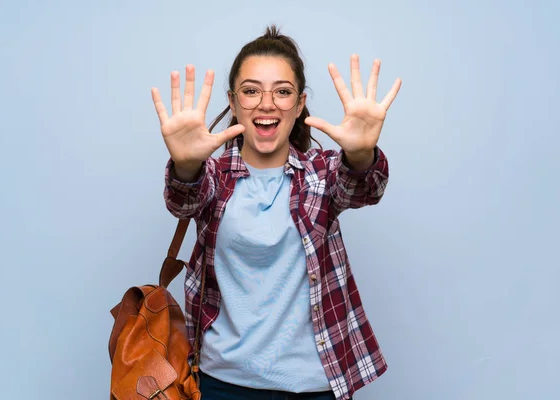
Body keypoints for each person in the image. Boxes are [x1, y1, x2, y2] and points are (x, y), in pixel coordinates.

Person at [151, 25, 401, 400]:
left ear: (299, 105)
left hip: (314, 386)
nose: (266, 104)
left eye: (282, 92)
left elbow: (362, 187)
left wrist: (362, 153)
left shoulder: (321, 174)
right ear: (233, 103)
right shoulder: (215, 178)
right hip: (222, 385)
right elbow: (183, 200)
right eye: (251, 91)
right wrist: (186, 166)